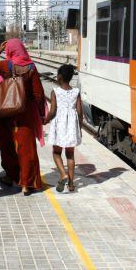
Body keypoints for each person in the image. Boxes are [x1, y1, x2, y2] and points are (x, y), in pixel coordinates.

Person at [0, 38, 45, 195]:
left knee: (8, 146)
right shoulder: (31, 67)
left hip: (6, 112)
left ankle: (11, 177)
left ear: (9, 50)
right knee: (27, 149)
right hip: (25, 113)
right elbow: (38, 94)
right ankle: (26, 183)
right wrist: (42, 114)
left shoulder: (6, 65)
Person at [44, 64, 82, 193]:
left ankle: (63, 174)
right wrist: (79, 128)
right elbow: (80, 111)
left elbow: (53, 110)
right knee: (70, 154)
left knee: (56, 152)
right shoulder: (76, 91)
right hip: (71, 124)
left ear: (59, 77)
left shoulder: (55, 91)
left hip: (59, 124)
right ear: (71, 77)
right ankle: (71, 185)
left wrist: (46, 119)